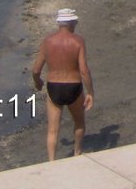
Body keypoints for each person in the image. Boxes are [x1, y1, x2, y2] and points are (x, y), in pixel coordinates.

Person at [32, 9, 94, 160]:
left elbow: (35, 70)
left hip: (54, 87)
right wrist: (91, 92)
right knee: (79, 123)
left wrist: (38, 82)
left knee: (53, 130)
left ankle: (52, 162)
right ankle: (77, 153)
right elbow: (84, 70)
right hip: (73, 86)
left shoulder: (47, 41)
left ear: (59, 23)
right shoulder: (78, 41)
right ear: (72, 23)